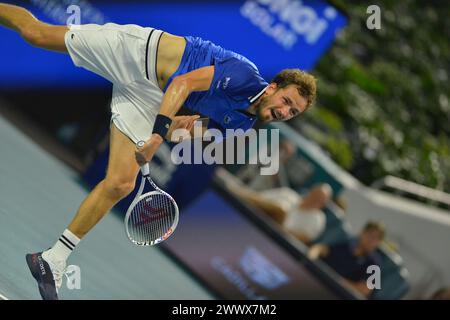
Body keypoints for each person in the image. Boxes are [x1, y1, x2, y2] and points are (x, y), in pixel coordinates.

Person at [0, 4, 317, 299]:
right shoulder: (244, 75)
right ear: (274, 88)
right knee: (36, 34)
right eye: (287, 102)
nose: (286, 111)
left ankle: (53, 258)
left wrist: (170, 131)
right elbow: (182, 84)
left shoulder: (240, 126)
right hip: (137, 53)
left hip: (149, 97)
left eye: (294, 112)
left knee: (121, 184)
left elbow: (179, 130)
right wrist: (156, 133)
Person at [220, 169, 330, 244]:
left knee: (280, 211)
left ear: (322, 205)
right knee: (268, 204)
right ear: (310, 192)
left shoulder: (317, 219)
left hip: (275, 237)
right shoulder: (288, 194)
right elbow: (260, 198)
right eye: (315, 195)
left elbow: (303, 239)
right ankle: (233, 190)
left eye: (319, 200)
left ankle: (236, 191)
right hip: (253, 216)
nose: (315, 200)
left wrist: (278, 227)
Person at [308, 221, 385, 298]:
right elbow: (321, 249)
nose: (371, 240)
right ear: (362, 232)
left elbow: (364, 291)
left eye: (376, 238)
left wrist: (337, 280)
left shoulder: (376, 265)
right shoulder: (345, 242)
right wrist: (312, 255)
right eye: (370, 235)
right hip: (316, 283)